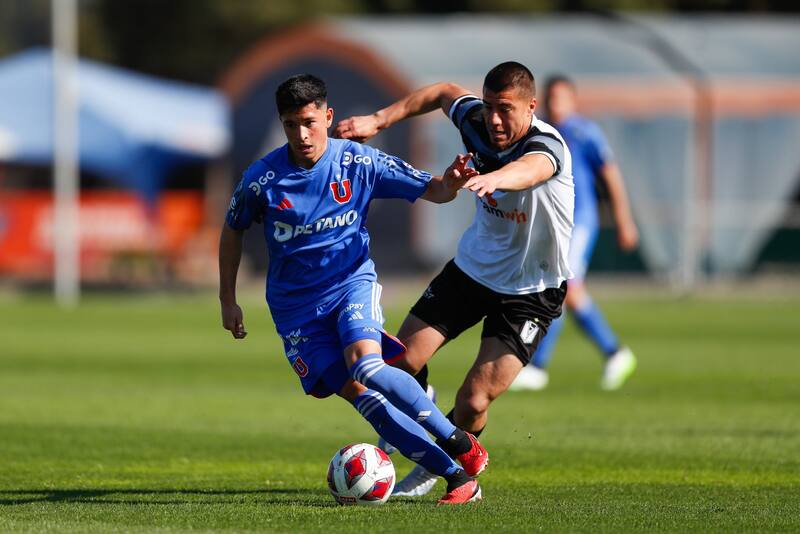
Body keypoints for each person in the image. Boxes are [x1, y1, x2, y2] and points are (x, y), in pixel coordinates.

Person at [219, 74, 488, 504]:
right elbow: (232, 230)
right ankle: (459, 479)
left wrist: (452, 183)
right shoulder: (262, 179)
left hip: (350, 285)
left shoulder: (359, 163)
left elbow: (435, 191)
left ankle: (458, 441)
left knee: (366, 366)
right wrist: (227, 299)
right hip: (295, 311)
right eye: (291, 125)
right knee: (363, 398)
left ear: (328, 116)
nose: (302, 134)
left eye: (309, 121)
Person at [334, 61, 573, 496]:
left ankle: (441, 465)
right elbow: (443, 92)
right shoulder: (477, 120)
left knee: (475, 401)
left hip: (531, 290)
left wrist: (494, 178)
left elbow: (533, 170)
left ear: (531, 107)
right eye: (489, 107)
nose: (495, 120)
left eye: (506, 109)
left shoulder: (547, 144)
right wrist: (378, 119)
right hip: (472, 270)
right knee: (399, 362)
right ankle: (423, 414)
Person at [510, 75, 639, 392]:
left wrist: (624, 220)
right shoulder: (540, 131)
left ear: (573, 100)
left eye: (562, 98)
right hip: (554, 223)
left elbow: (610, 174)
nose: (556, 104)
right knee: (562, 288)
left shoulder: (583, 132)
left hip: (580, 220)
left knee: (565, 286)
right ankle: (614, 353)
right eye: (551, 98)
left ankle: (540, 366)